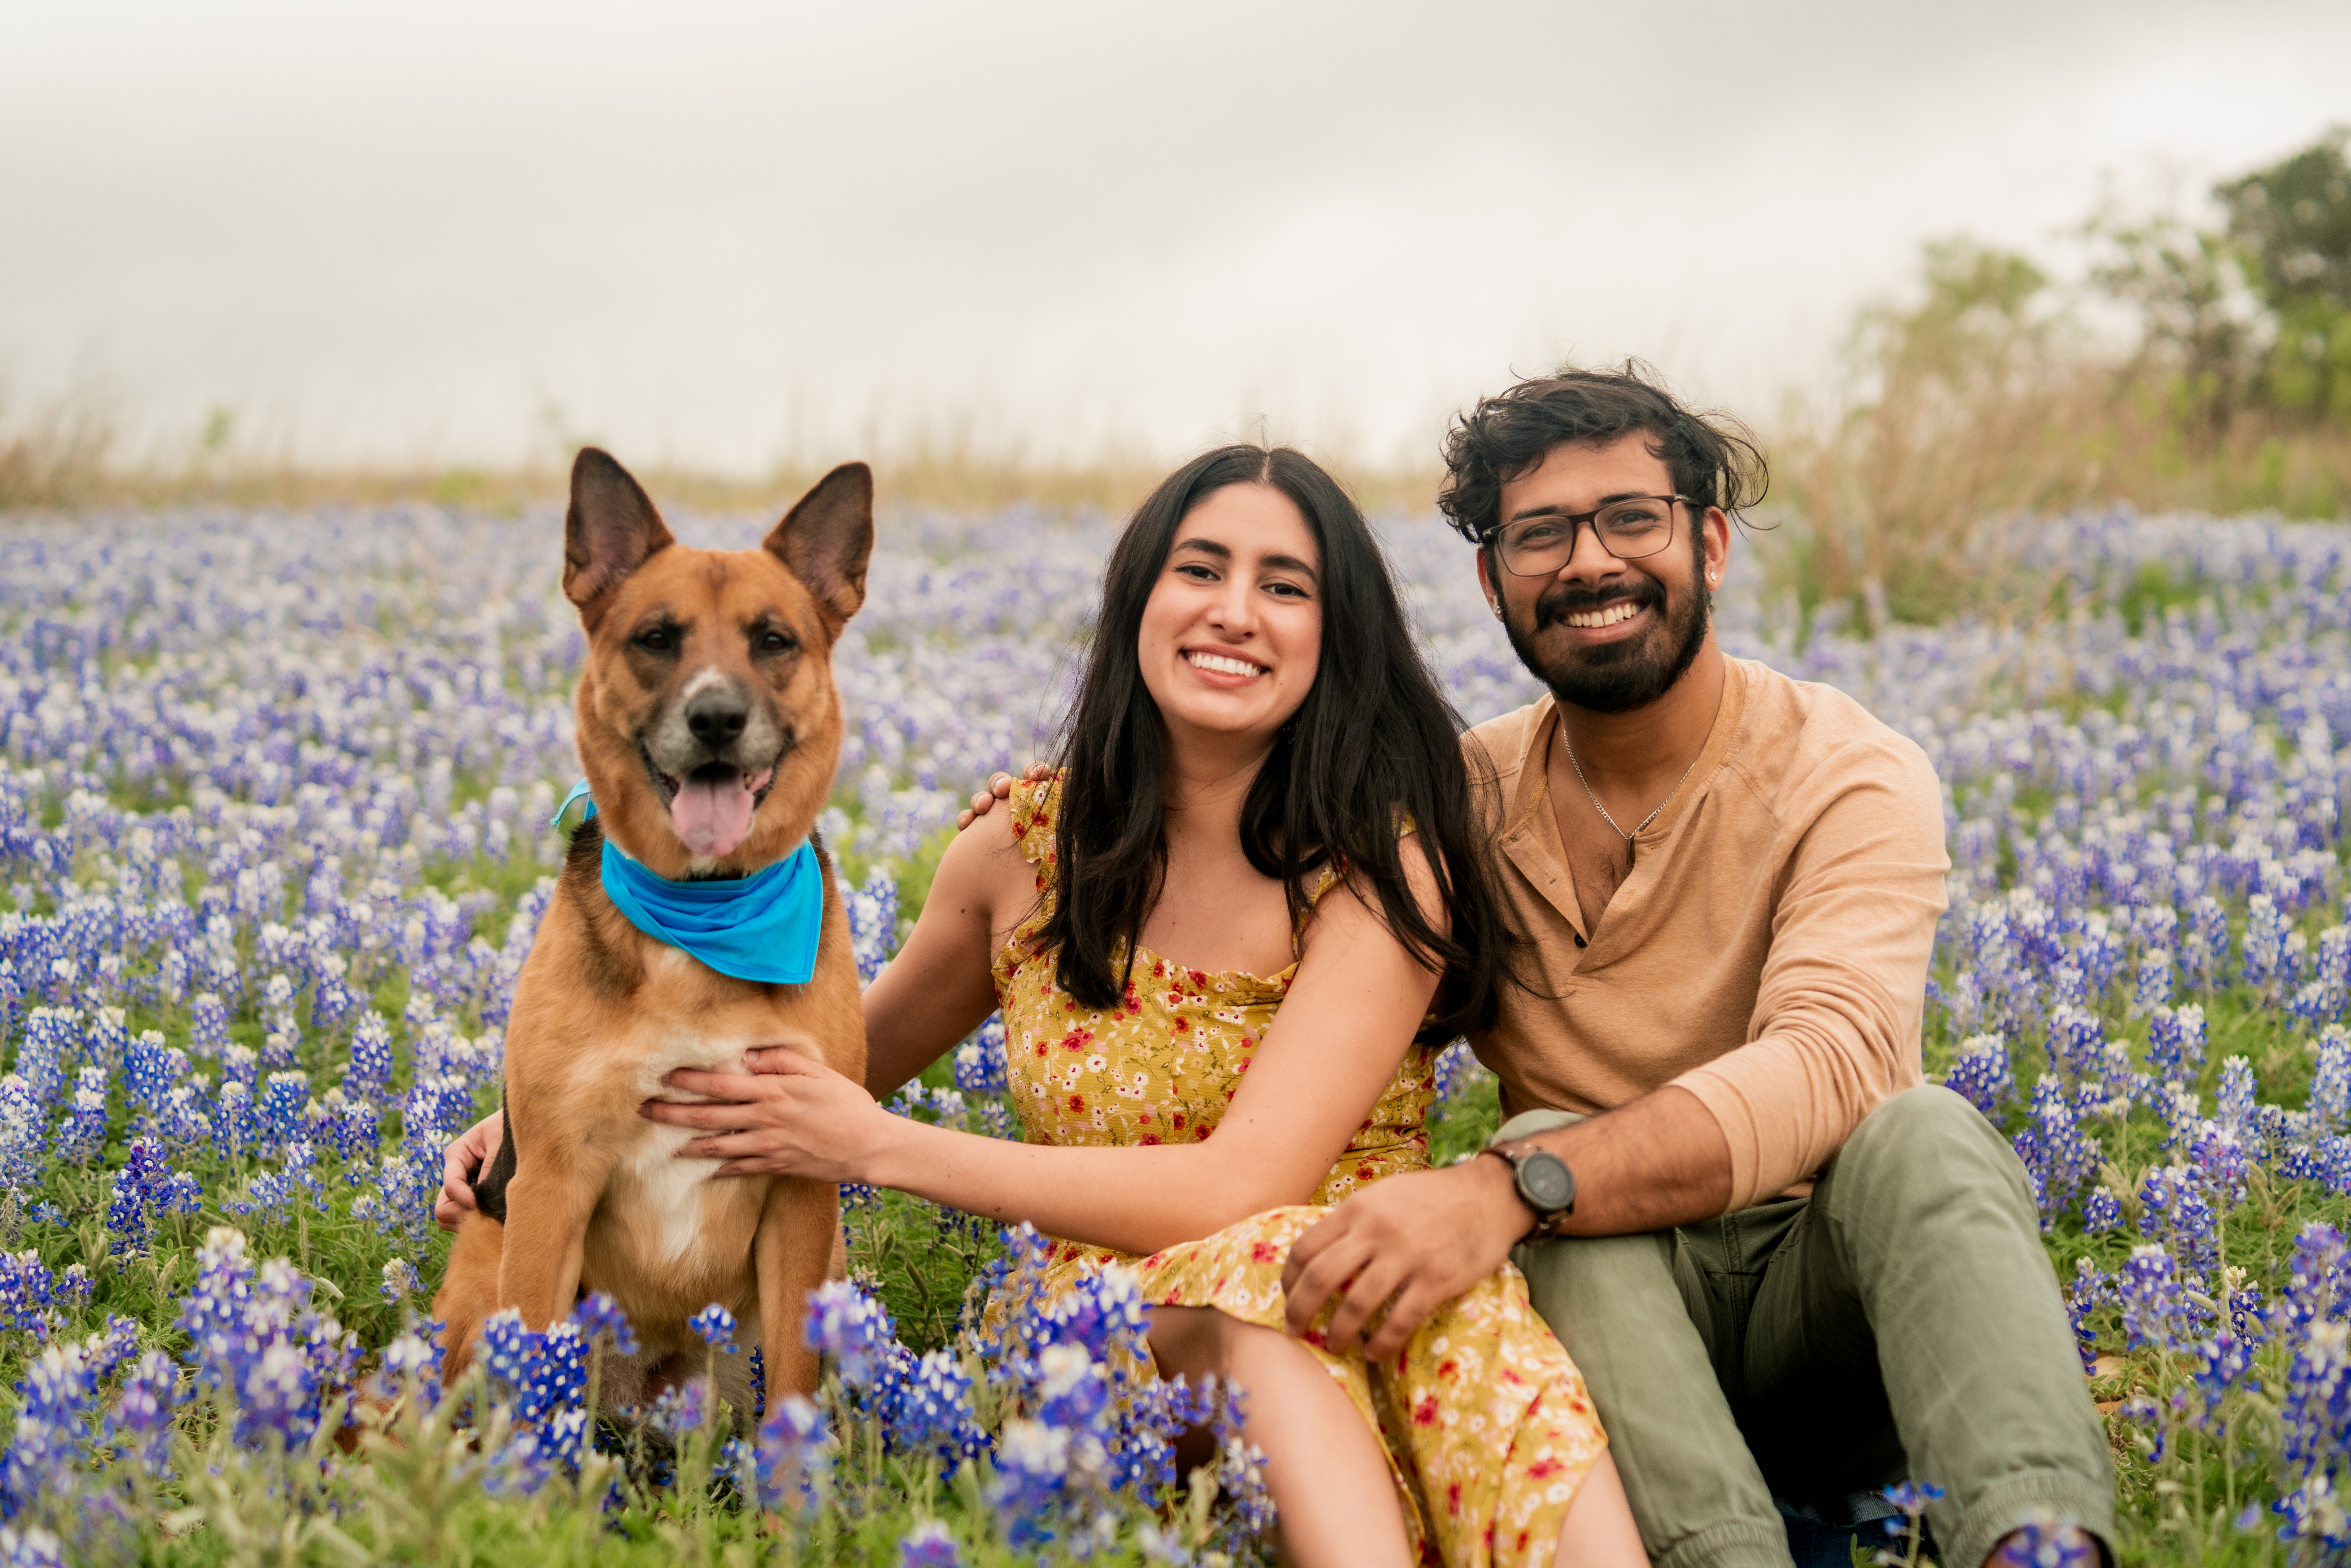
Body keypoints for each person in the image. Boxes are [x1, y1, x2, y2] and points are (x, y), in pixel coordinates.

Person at [439, 445, 1645, 1568]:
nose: (1233, 609)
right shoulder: (1021, 851)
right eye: (1199, 568)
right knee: (1256, 1316)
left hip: (1367, 1273)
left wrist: (876, 1148)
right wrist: (547, 1118)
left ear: (1336, 635)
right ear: (1137, 602)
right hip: (1116, 1316)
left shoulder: (1378, 872)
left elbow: (1244, 1191)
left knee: (1445, 1339)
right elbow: (833, 1072)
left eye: (1284, 585)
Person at [1265, 365, 2116, 1568]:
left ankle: (2032, 1544)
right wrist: (1044, 827)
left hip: (1827, 1323)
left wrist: (1510, 1189)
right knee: (1556, 1142)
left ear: (1707, 542)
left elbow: (1832, 1064)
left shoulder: (1848, 769)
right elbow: (1254, 902)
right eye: (1539, 535)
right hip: (1603, 1339)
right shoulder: (1454, 802)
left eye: (1630, 519)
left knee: (1916, 1131)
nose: (1588, 563)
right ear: (1492, 578)